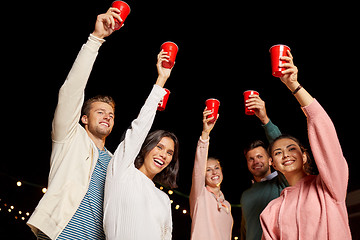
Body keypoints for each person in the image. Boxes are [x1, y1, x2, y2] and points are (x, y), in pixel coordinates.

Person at [27, 7, 123, 240]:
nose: (107, 117)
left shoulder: (114, 162)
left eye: (110, 114)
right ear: (83, 119)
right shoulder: (69, 138)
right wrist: (96, 39)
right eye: (100, 112)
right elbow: (72, 90)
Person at [260, 51, 352, 239]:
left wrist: (293, 85)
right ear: (273, 164)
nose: (285, 154)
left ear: (305, 156)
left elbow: (323, 128)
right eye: (278, 152)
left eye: (291, 148)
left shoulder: (330, 186)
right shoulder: (271, 211)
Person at [103, 50, 179, 240]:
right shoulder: (121, 172)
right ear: (145, 147)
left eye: (170, 152)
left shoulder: (163, 199)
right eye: (159, 147)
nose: (164, 155)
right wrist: (161, 80)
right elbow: (139, 128)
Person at [240, 95, 288, 240]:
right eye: (251, 159)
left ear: (270, 160)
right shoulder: (246, 195)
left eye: (260, 156)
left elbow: (281, 146)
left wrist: (264, 119)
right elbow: (244, 231)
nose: (256, 161)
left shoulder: (282, 183)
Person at [189, 108, 234, 240]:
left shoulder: (227, 204)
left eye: (216, 168)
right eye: (208, 169)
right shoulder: (200, 195)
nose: (214, 172)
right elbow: (198, 167)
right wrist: (205, 134)